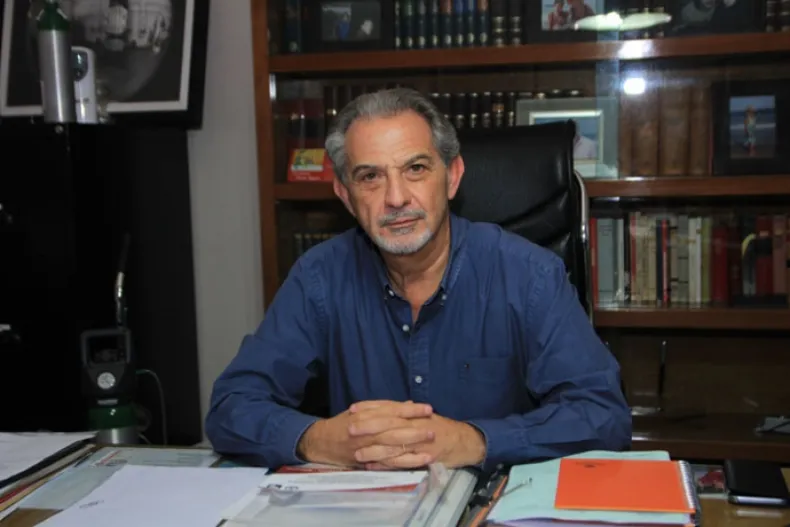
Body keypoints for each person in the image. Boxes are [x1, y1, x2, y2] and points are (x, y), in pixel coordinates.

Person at [205, 88, 632, 472]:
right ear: (345, 196)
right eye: (370, 177)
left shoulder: (529, 275)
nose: (396, 199)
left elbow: (603, 415)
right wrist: (316, 440)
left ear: (452, 176)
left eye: (415, 168)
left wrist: (475, 441)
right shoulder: (319, 277)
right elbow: (231, 406)